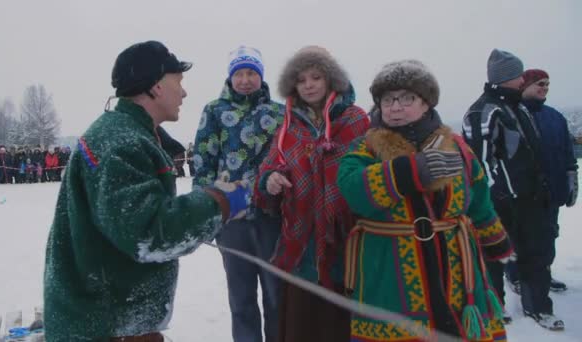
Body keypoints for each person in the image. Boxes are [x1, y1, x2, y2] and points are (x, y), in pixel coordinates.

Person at [43, 40, 250, 341]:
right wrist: (220, 201)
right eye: (178, 82)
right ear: (155, 87)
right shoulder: (119, 145)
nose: (184, 92)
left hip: (118, 324)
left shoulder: (128, 135)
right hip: (103, 327)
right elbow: (149, 233)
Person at [337, 60, 512, 341]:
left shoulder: (456, 146)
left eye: (407, 98)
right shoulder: (365, 147)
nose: (395, 107)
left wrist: (495, 240)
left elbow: (478, 196)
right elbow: (351, 190)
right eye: (387, 99)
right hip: (390, 266)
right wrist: (410, 172)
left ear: (427, 102)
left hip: (456, 262)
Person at [254, 46, 369, 342]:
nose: (308, 85)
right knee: (301, 326)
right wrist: (271, 180)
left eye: (316, 77)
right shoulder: (287, 127)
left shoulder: (357, 121)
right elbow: (268, 170)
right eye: (302, 79)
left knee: (342, 324)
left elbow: (371, 174)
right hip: (301, 243)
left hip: (347, 241)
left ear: (331, 79)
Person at [463, 49, 563, 330]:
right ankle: (495, 307)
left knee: (536, 255)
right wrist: (496, 196)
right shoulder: (482, 111)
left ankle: (539, 307)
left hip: (531, 200)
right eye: (518, 74)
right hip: (500, 203)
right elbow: (478, 161)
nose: (522, 79)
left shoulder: (519, 108)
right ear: (505, 77)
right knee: (495, 258)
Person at [193, 46, 284, 342]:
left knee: (276, 296)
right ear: (231, 77)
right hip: (232, 219)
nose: (245, 80)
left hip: (272, 218)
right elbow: (203, 162)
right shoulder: (214, 111)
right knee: (241, 298)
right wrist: (205, 211)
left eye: (252, 73)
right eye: (239, 73)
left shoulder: (279, 112)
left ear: (261, 76)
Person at [504, 69, 579, 294]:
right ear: (523, 85)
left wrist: (571, 177)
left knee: (549, 232)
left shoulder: (555, 116)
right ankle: (516, 274)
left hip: (552, 189)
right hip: (524, 191)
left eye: (547, 84)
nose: (544, 87)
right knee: (520, 234)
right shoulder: (512, 114)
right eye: (539, 83)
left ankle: (543, 273)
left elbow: (568, 151)